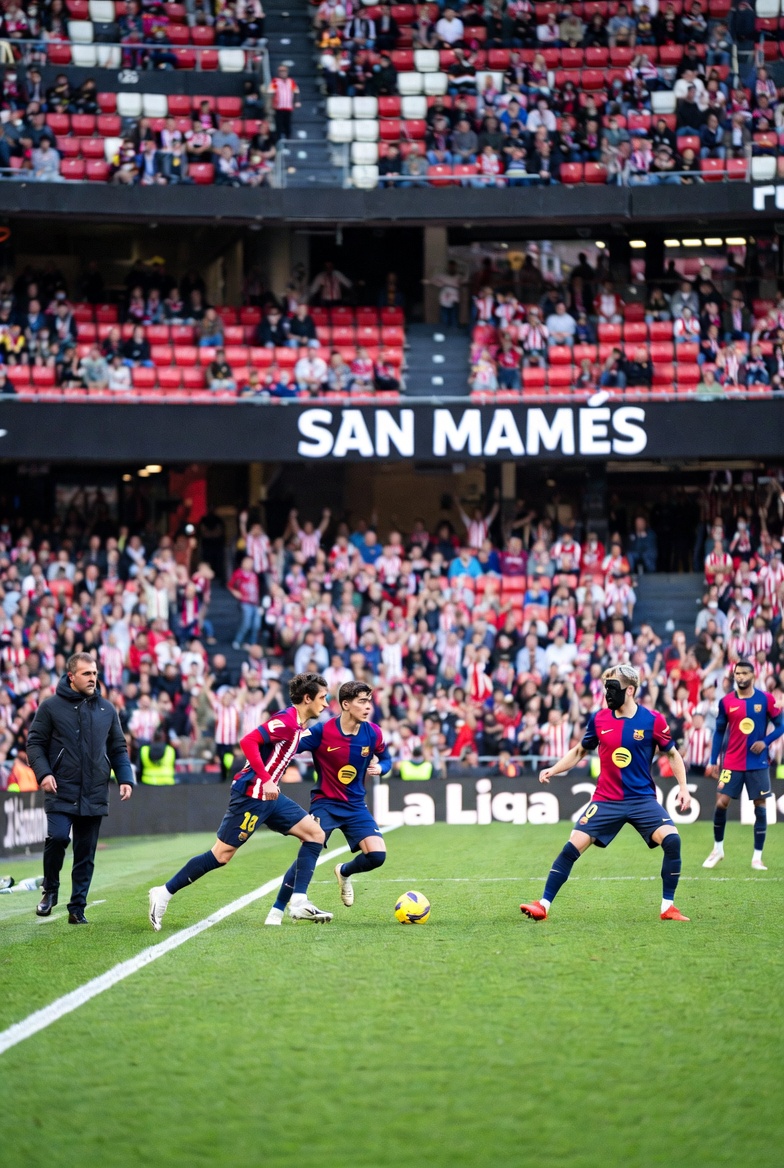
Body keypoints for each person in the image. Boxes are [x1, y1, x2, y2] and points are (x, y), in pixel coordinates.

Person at [148, 673, 334, 930]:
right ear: (307, 698)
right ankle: (163, 893)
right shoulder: (287, 722)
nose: (326, 703)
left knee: (315, 834)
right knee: (221, 855)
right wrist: (267, 779)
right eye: (323, 698)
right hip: (250, 797)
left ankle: (299, 901)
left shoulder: (297, 724)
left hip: (271, 797)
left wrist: (271, 784)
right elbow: (247, 741)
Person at [520, 665, 692, 923]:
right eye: (605, 689)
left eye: (613, 689)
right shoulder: (599, 719)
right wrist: (554, 769)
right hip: (606, 800)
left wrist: (683, 787)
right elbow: (579, 751)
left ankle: (668, 907)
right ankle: (543, 905)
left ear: (630, 690)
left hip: (642, 800)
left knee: (673, 840)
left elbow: (672, 754)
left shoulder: (653, 720)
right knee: (572, 846)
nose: (607, 694)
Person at [265, 680, 392, 924]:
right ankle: (278, 909)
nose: (368, 707)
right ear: (346, 704)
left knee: (377, 856)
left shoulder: (373, 732)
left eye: (369, 701)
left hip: (356, 806)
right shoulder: (323, 731)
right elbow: (288, 747)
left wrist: (381, 767)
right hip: (326, 803)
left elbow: (387, 759)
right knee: (308, 851)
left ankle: (344, 871)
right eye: (362, 701)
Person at [26, 651, 134, 924]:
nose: (92, 679)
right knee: (59, 838)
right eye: (87, 674)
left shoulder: (107, 710)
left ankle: (77, 908)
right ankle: (49, 890)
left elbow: (118, 748)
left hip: (95, 790)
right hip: (60, 788)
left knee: (85, 853)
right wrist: (44, 773)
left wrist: (125, 778)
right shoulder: (50, 707)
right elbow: (34, 744)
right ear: (71, 676)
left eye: (95, 673)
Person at [703, 660, 784, 871]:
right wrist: (713, 760)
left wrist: (765, 742)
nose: (739, 677)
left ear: (753, 675)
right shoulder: (726, 701)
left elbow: (781, 725)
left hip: (757, 763)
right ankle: (717, 849)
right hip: (731, 762)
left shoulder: (766, 700)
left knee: (760, 806)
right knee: (721, 802)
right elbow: (719, 731)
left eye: (744, 673)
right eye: (737, 673)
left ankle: (757, 857)